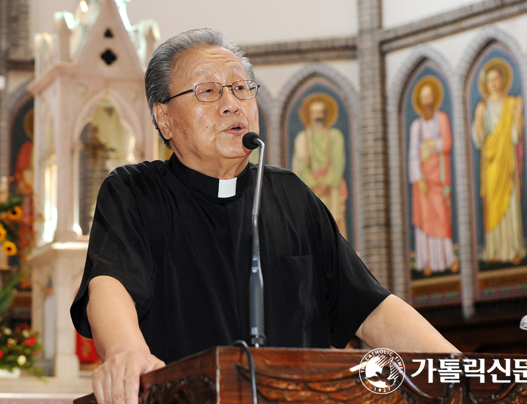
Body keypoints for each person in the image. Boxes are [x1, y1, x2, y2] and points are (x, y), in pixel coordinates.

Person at [70, 28, 458, 404]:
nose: (231, 103)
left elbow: (370, 307)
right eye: (207, 91)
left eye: (241, 88)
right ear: (164, 117)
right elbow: (110, 282)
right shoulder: (134, 191)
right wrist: (125, 352)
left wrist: (460, 368)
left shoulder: (289, 195)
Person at [472, 60, 526, 264]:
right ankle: (493, 250)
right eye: (491, 80)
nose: (494, 83)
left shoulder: (511, 103)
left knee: (511, 204)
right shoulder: (483, 107)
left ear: (503, 80)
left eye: (497, 79)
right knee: (492, 205)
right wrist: (478, 118)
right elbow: (479, 140)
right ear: (486, 83)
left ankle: (513, 248)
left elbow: (514, 136)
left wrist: (518, 113)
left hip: (507, 160)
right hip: (490, 164)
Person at [408, 77, 458, 276]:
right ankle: (426, 261)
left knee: (442, 215)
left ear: (434, 98)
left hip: (440, 176)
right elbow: (413, 153)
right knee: (426, 219)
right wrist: (418, 178)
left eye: (430, 97)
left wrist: (431, 144)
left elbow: (446, 143)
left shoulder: (442, 118)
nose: (427, 101)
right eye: (423, 98)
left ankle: (447, 258)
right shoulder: (415, 126)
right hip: (423, 180)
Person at [292, 93, 348, 238]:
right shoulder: (302, 138)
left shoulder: (335, 135)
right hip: (310, 189)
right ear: (309, 115)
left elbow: (338, 162)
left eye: (320, 112)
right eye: (314, 112)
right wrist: (313, 184)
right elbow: (300, 166)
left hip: (331, 189)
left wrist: (326, 184)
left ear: (326, 114)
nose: (317, 116)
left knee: (334, 224)